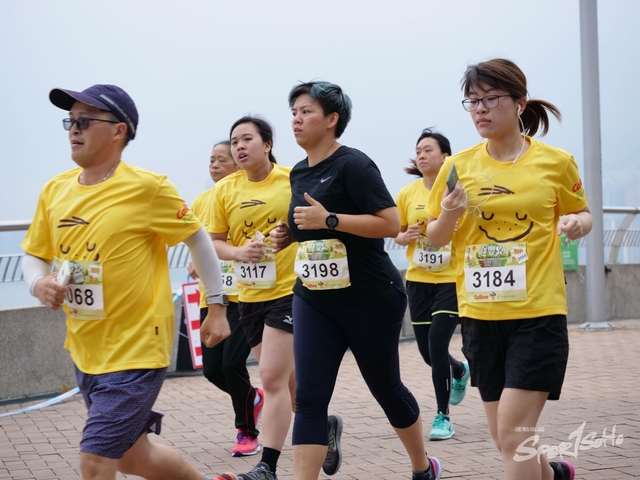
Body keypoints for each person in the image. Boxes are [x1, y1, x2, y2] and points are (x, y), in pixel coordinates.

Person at [21, 84, 230, 480]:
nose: (74, 129)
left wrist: (217, 306)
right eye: (70, 121)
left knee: (95, 458)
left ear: (119, 130)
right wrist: (37, 284)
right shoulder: (55, 190)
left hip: (137, 349)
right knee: (134, 457)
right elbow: (34, 253)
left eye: (85, 120)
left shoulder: (148, 187)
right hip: (86, 348)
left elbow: (198, 239)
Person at [426, 59, 591, 480]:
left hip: (538, 314)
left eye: (491, 99)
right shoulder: (457, 167)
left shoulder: (556, 162)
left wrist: (576, 223)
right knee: (509, 440)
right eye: (472, 101)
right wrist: (450, 212)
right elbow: (436, 237)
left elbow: (583, 212)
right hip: (480, 315)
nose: (480, 108)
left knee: (514, 437)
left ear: (519, 104)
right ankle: (555, 475)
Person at [270, 81, 442, 480]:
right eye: (294, 112)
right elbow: (312, 227)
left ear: (332, 119)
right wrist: (290, 235)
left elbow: (390, 223)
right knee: (309, 398)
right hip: (314, 298)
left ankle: (422, 467)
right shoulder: (298, 172)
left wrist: (329, 219)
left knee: (386, 389)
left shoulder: (353, 164)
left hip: (370, 298)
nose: (296, 119)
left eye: (306, 111)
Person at [207, 117, 297, 480]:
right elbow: (214, 243)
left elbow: (312, 223)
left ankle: (266, 467)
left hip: (290, 291)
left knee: (271, 379)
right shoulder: (225, 190)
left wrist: (290, 234)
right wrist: (238, 253)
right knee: (289, 385)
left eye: (247, 139)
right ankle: (322, 425)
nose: (239, 147)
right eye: (234, 142)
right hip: (249, 296)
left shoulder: (292, 179)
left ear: (267, 144)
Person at [188, 140, 264, 457]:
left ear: (237, 164)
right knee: (213, 370)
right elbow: (198, 242)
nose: (215, 165)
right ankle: (253, 398)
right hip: (211, 296)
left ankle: (247, 431)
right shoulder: (201, 201)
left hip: (244, 294)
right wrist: (195, 261)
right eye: (212, 160)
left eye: (222, 160)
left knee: (233, 364)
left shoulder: (247, 195)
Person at [394, 128, 470, 441]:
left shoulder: (456, 191)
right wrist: (406, 236)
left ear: (445, 157)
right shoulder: (407, 194)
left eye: (428, 150)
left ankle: (443, 416)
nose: (422, 156)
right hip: (418, 280)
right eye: (418, 151)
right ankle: (459, 370)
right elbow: (397, 234)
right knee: (428, 353)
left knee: (437, 345)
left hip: (450, 279)